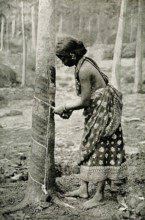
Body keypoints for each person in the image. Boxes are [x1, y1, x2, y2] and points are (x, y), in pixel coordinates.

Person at [54, 36, 127, 210]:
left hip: (104, 115)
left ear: (72, 55)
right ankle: (83, 189)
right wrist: (70, 109)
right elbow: (88, 97)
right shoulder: (81, 63)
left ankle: (99, 195)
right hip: (97, 111)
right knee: (88, 144)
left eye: (63, 58)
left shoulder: (84, 69)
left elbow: (86, 101)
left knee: (99, 148)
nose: (62, 62)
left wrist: (65, 106)